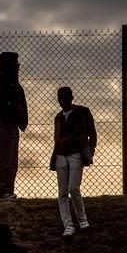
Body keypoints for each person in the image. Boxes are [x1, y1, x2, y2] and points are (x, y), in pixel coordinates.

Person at [50, 87, 97, 237]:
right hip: (60, 156)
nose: (62, 101)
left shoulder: (83, 112)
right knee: (62, 192)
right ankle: (68, 225)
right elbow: (56, 139)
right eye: (60, 98)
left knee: (73, 188)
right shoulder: (58, 117)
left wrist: (89, 151)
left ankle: (82, 221)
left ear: (71, 97)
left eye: (65, 98)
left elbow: (92, 134)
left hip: (76, 155)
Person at [0, 52, 28, 199]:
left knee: (10, 159)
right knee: (3, 158)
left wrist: (19, 119)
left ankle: (7, 190)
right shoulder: (1, 81)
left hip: (10, 125)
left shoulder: (12, 82)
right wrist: (13, 114)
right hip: (1, 125)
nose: (18, 65)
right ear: (7, 64)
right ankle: (1, 191)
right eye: (15, 63)